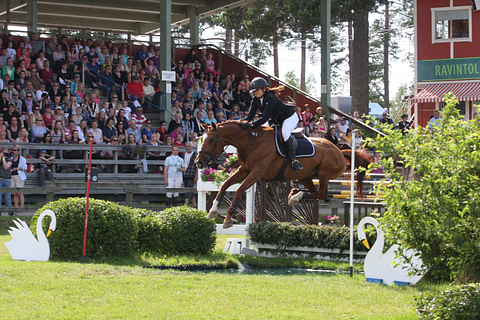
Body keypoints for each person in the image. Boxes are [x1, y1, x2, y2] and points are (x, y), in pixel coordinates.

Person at [241, 77, 303, 171]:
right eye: (254, 91)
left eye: (257, 90)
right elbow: (250, 116)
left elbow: (265, 118)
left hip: (289, 117)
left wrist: (251, 125)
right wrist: (241, 123)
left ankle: (294, 160)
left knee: (285, 133)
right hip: (275, 120)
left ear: (264, 89)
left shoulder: (270, 98)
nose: (255, 92)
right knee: (262, 133)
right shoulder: (255, 100)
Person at [182, 141, 197, 207]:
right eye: (186, 146)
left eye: (189, 146)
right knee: (189, 189)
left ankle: (186, 204)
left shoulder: (195, 155)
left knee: (189, 188)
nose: (188, 148)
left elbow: (197, 167)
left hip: (192, 174)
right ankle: (194, 204)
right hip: (185, 174)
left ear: (191, 147)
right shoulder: (184, 154)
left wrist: (196, 176)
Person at [0, 147, 13, 214]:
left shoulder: (10, 158)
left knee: (8, 197)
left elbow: (6, 167)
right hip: (0, 178)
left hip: (7, 179)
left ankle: (10, 212)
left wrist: (3, 158)